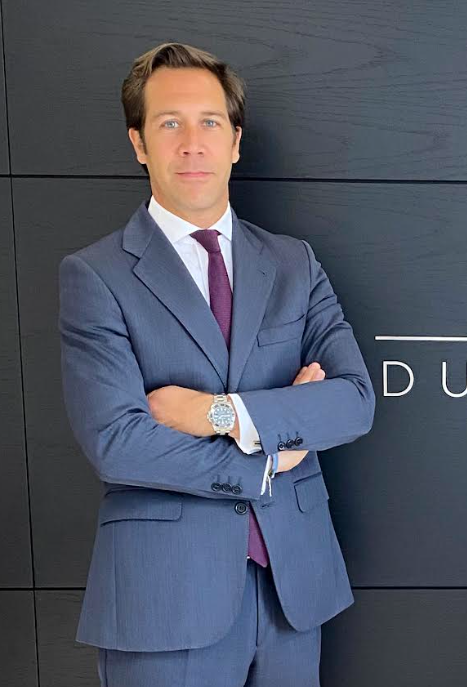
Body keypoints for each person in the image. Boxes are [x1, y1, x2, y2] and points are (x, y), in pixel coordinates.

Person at [57, 42, 375, 686]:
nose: (192, 143)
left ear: (235, 141)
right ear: (139, 143)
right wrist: (268, 461)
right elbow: (119, 442)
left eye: (209, 122)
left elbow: (352, 400)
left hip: (292, 591)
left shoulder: (293, 263)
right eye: (169, 123)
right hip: (164, 597)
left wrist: (218, 414)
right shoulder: (95, 275)